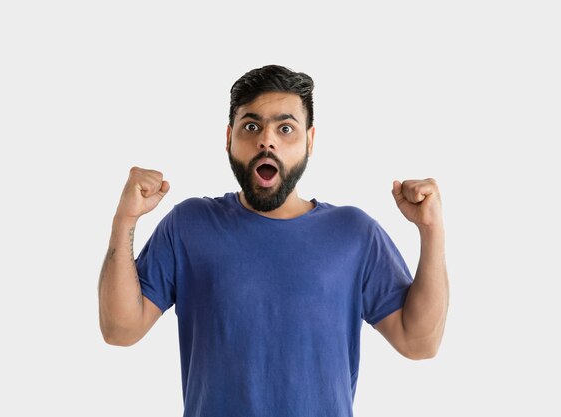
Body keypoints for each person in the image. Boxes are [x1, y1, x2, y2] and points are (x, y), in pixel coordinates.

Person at [97, 64, 449, 417]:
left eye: (285, 128)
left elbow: (419, 342)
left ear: (309, 141)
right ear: (228, 138)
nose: (267, 140)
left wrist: (430, 229)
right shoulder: (188, 225)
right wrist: (124, 218)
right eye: (251, 126)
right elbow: (120, 329)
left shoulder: (354, 233)